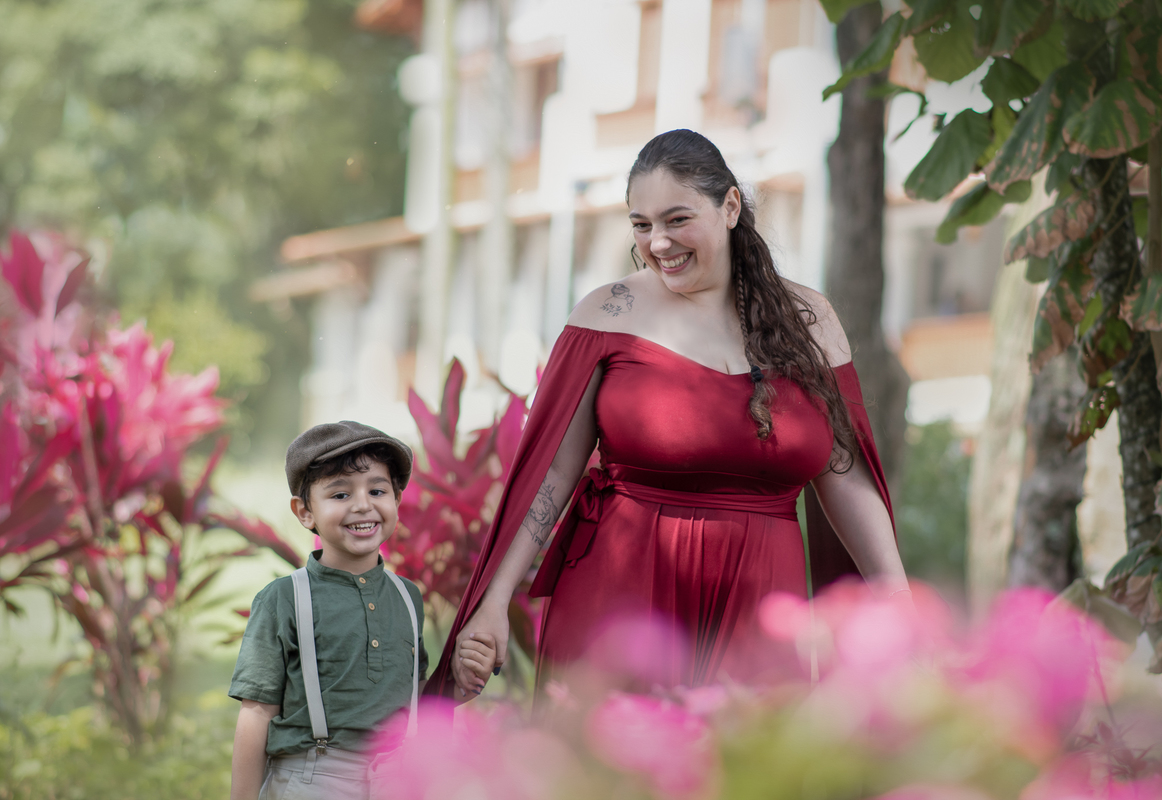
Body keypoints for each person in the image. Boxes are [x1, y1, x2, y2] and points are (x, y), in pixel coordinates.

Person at [425, 129, 908, 699]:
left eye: (677, 220)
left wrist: (899, 610)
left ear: (730, 207)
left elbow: (846, 475)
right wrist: (494, 600)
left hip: (761, 603)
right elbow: (553, 472)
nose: (657, 243)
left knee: (753, 752)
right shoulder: (608, 315)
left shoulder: (811, 321)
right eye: (641, 224)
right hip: (621, 596)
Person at [228, 421, 496, 800]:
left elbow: (412, 701)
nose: (362, 505)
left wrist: (460, 684)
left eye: (377, 490)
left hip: (396, 778)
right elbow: (256, 714)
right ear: (305, 512)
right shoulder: (283, 599)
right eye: (340, 494)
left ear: (396, 500)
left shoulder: (407, 597)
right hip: (315, 779)